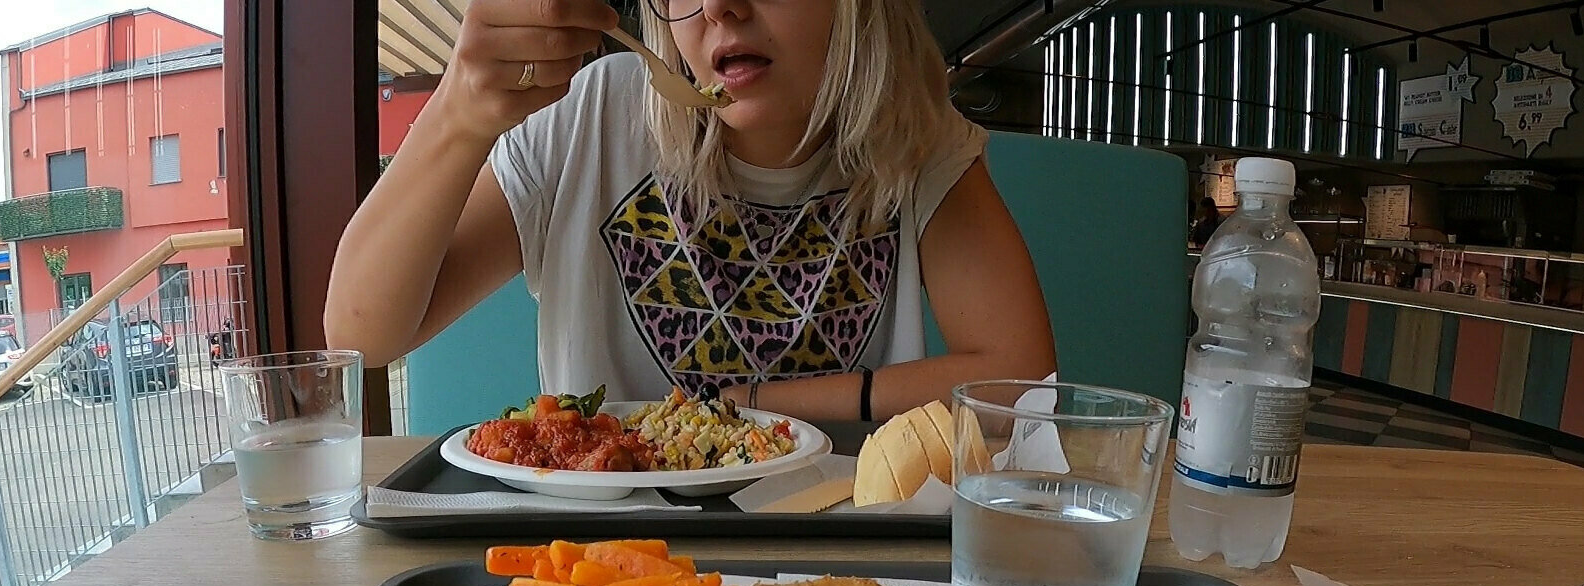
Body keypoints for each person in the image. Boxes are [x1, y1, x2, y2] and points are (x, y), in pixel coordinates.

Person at [326, 0, 1056, 423]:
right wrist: (459, 112)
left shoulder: (918, 143)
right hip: (604, 565)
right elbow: (363, 334)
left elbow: (1022, 384)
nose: (719, 6)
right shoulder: (590, 119)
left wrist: (755, 402)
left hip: (833, 555)